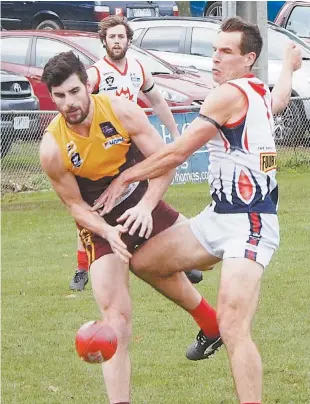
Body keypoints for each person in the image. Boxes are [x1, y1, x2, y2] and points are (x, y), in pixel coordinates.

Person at [92, 17, 302, 404]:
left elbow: (177, 152)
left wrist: (125, 179)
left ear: (248, 59)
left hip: (251, 221)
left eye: (226, 52)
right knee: (146, 262)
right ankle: (208, 322)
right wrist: (288, 67)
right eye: (214, 50)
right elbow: (281, 100)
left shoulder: (228, 94)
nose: (215, 59)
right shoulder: (258, 91)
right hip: (218, 217)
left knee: (235, 323)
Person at [39, 51, 223, 404]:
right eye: (59, 96)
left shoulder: (121, 110)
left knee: (205, 259)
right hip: (99, 224)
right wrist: (107, 232)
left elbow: (164, 162)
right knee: (116, 321)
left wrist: (145, 205)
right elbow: (76, 205)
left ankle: (210, 317)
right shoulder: (52, 147)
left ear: (88, 84)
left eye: (74, 92)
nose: (69, 103)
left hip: (142, 200)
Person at [69, 15, 203, 290]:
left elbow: (156, 100)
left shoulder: (138, 69)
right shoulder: (95, 73)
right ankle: (83, 267)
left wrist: (176, 135)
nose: (116, 42)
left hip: (133, 143)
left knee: (152, 196)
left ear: (128, 40)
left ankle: (180, 257)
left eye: (121, 37)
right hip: (103, 149)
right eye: (112, 37)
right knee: (92, 207)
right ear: (103, 41)